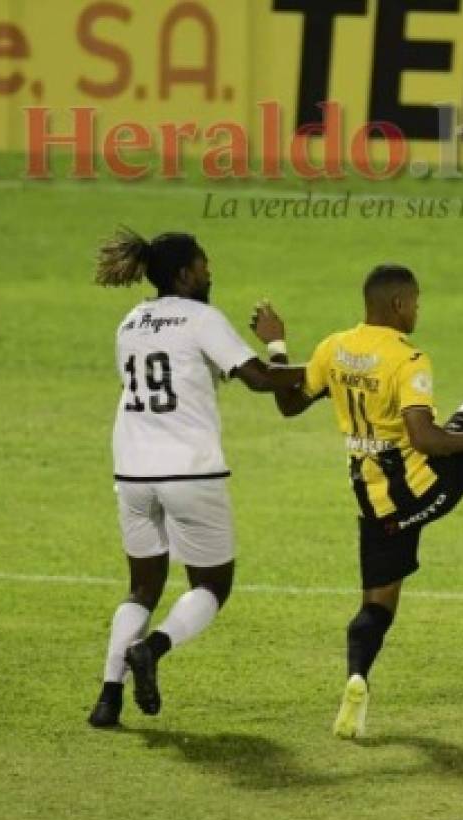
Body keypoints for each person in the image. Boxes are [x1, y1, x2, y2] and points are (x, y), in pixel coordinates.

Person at [251, 264, 463, 739]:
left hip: (375, 507)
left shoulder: (333, 348)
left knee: (376, 608)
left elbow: (288, 404)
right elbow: (424, 439)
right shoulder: (408, 360)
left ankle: (357, 679)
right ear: (399, 305)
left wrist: (277, 345)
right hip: (427, 486)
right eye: (417, 303)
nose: (418, 311)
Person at [87, 228, 305, 728]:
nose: (210, 276)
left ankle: (107, 698)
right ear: (184, 274)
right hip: (189, 470)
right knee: (211, 585)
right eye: (204, 268)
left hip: (133, 470)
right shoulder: (202, 318)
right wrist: (302, 355)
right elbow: (260, 381)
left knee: (141, 588)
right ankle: (153, 650)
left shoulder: (131, 321)